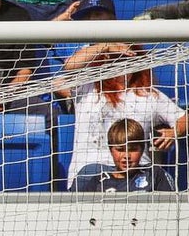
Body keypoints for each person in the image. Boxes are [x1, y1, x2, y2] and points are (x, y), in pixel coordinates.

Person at [61, 42, 188, 187]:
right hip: (90, 171)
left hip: (136, 174)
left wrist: (174, 132)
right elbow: (70, 65)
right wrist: (106, 46)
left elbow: (184, 118)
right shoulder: (88, 87)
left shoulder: (149, 96)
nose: (123, 64)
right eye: (117, 58)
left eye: (129, 57)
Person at [74, 116, 178, 190]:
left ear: (142, 149)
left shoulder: (155, 175)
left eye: (132, 149)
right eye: (120, 150)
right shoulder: (98, 182)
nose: (126, 156)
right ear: (111, 149)